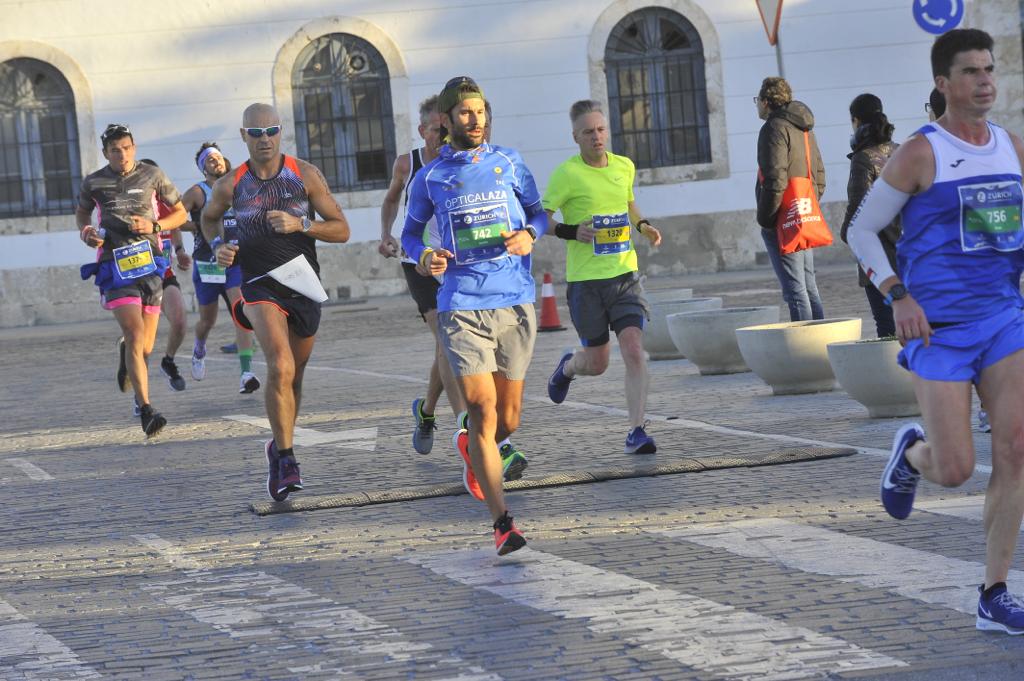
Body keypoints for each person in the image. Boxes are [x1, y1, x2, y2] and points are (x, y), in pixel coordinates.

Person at [847, 28, 1024, 635]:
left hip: (1003, 319)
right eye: (971, 72)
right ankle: (912, 453)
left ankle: (994, 593)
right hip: (939, 329)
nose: (984, 82)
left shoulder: (1011, 147)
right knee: (953, 468)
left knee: (1016, 449)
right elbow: (862, 230)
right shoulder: (921, 153)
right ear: (944, 84)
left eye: (989, 69)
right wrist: (897, 294)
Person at [401, 76, 547, 555]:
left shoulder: (510, 162)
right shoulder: (429, 177)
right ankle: (503, 523)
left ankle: (473, 447)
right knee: (483, 413)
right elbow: (410, 236)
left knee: (509, 419)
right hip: (462, 304)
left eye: (481, 110)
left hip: (515, 300)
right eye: (466, 112)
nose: (476, 119)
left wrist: (530, 234)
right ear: (446, 120)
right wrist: (424, 258)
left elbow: (538, 212)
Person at [201, 103, 351, 501]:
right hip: (256, 284)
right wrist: (219, 246)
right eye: (256, 133)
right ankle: (286, 456)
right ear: (243, 136)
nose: (264, 138)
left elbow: (342, 230)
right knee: (280, 365)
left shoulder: (304, 175)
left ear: (281, 132)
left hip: (302, 284)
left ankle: (278, 445)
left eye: (271, 130)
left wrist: (302, 224)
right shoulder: (231, 184)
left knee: (295, 376)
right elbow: (209, 217)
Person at [543, 99, 662, 454]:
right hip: (586, 283)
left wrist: (643, 225)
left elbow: (628, 203)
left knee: (634, 350)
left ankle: (636, 430)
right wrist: (570, 231)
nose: (597, 137)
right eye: (588, 132)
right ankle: (568, 368)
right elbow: (541, 218)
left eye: (600, 129)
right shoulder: (566, 174)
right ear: (575, 137)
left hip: (625, 274)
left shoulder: (624, 166)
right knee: (596, 363)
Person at [77, 124, 188, 437]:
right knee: (135, 332)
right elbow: (82, 214)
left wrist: (154, 225)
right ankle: (146, 409)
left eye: (126, 147)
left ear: (134, 147)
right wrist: (87, 233)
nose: (121, 154)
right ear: (105, 153)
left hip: (150, 266)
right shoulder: (94, 182)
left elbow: (179, 214)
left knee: (145, 347)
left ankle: (128, 354)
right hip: (115, 268)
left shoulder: (152, 175)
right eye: (115, 150)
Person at [379, 96, 467, 456]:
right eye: (436, 131)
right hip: (415, 260)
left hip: (454, 260)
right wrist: (386, 234)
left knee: (445, 345)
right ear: (421, 130)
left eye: (448, 130)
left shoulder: (461, 162)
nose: (443, 137)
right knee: (447, 340)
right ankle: (465, 424)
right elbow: (390, 200)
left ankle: (427, 411)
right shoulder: (407, 164)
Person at [181, 142, 261, 394]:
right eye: (210, 159)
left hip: (234, 260)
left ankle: (246, 372)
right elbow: (176, 218)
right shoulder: (196, 192)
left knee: (241, 311)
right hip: (207, 263)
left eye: (218, 157)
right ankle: (199, 348)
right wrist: (198, 226)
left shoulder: (234, 186)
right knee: (208, 320)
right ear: (202, 167)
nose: (216, 162)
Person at [754, 77, 827, 321]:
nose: (757, 106)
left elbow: (775, 178)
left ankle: (806, 352)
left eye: (758, 101)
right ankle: (821, 341)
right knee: (809, 286)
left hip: (782, 217)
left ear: (766, 102)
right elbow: (819, 173)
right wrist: (808, 203)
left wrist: (766, 219)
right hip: (804, 212)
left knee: (795, 291)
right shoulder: (804, 128)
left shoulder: (773, 128)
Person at [840, 94, 900, 338]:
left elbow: (858, 207)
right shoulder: (900, 150)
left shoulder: (863, 159)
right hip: (908, 249)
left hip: (878, 252)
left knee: (887, 326)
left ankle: (893, 374)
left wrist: (848, 234)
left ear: (855, 122)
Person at [139, 159, 191, 395]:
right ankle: (141, 396)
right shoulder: (132, 204)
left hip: (164, 273)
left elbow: (177, 223)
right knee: (141, 341)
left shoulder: (166, 200)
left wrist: (179, 250)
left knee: (180, 321)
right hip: (137, 277)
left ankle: (168, 361)